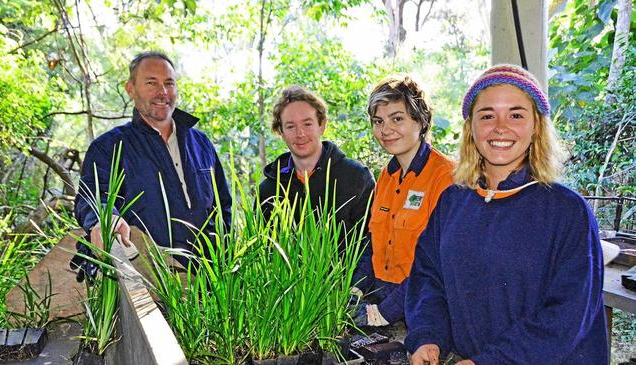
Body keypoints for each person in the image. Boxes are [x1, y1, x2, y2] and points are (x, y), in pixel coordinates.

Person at [405, 65, 608, 365]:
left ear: (536, 126)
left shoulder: (567, 211)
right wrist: (428, 336)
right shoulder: (453, 201)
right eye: (487, 115)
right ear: (470, 128)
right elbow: (428, 278)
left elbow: (567, 315)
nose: (500, 127)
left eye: (516, 115)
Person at [74, 51, 231, 270]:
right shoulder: (108, 147)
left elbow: (223, 206)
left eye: (169, 83)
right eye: (151, 83)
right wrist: (106, 219)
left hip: (211, 281)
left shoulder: (201, 144)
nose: (163, 92)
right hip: (150, 279)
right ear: (131, 89)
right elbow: (92, 197)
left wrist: (225, 256)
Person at [351, 75, 454, 327]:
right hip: (383, 297)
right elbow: (373, 243)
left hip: (426, 308)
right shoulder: (387, 176)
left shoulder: (447, 177)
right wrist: (355, 290)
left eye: (397, 119)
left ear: (421, 121)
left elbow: (438, 262)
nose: (385, 130)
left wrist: (386, 311)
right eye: (378, 121)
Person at [258, 85, 375, 251]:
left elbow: (369, 246)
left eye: (307, 124)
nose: (300, 134)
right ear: (281, 132)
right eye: (290, 126)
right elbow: (265, 251)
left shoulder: (356, 177)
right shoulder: (269, 190)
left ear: (322, 125)